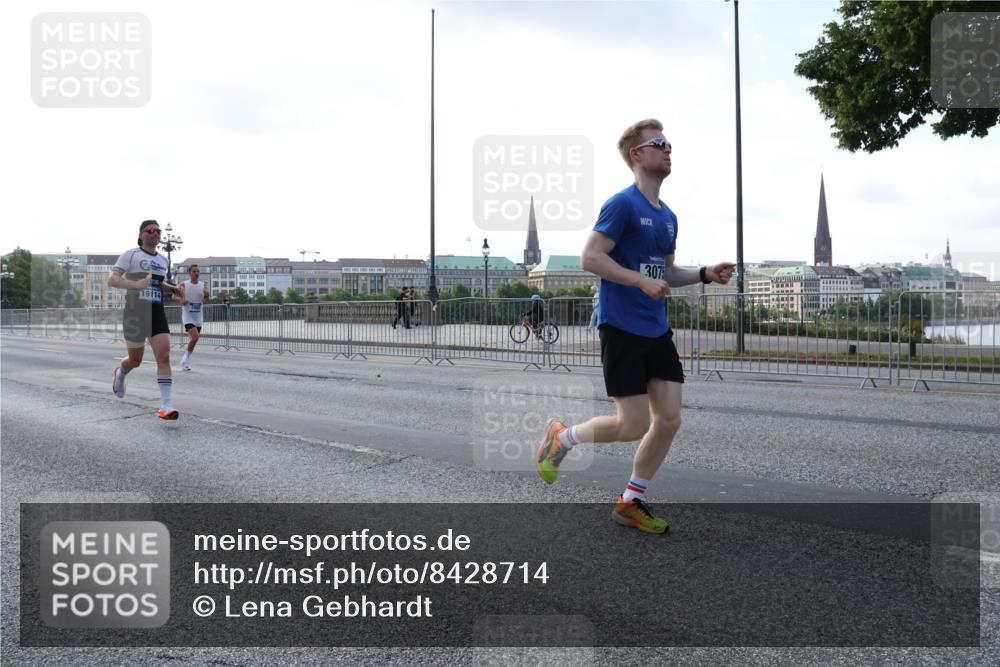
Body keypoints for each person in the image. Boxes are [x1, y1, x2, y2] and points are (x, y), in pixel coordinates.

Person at [535, 119, 735, 533]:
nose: (668, 149)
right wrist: (638, 280)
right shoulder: (622, 204)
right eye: (659, 144)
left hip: (656, 331)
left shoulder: (668, 217)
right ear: (637, 155)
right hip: (622, 326)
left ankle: (631, 500)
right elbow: (590, 258)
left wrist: (702, 273)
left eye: (668, 143)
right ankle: (562, 437)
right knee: (633, 425)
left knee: (669, 419)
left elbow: (666, 272)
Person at [107, 220, 184, 419]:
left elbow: (159, 283)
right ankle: (121, 374)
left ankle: (166, 405)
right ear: (141, 235)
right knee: (135, 360)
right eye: (150, 230)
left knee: (164, 356)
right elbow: (112, 279)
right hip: (135, 312)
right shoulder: (131, 254)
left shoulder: (163, 260)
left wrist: (173, 289)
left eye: (157, 231)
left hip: (156, 311)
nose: (155, 233)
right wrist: (136, 284)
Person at [178, 264, 210, 370]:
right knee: (195, 337)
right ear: (189, 273)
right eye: (194, 271)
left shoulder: (203, 285)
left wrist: (207, 295)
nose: (196, 273)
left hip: (198, 316)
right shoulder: (184, 284)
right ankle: (185, 358)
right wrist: (182, 300)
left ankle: (186, 362)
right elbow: (174, 295)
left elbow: (207, 300)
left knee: (193, 340)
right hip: (187, 316)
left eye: (198, 271)